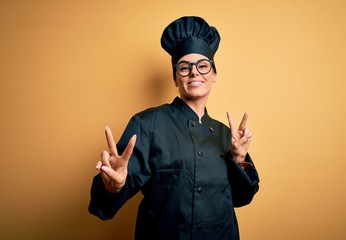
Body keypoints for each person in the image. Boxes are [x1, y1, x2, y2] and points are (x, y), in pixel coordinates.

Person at [89, 16, 260, 240]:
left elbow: (242, 198)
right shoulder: (148, 123)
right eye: (184, 67)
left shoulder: (226, 134)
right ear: (175, 78)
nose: (194, 72)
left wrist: (239, 159)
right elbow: (108, 194)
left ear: (214, 75)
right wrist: (114, 186)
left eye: (203, 65)